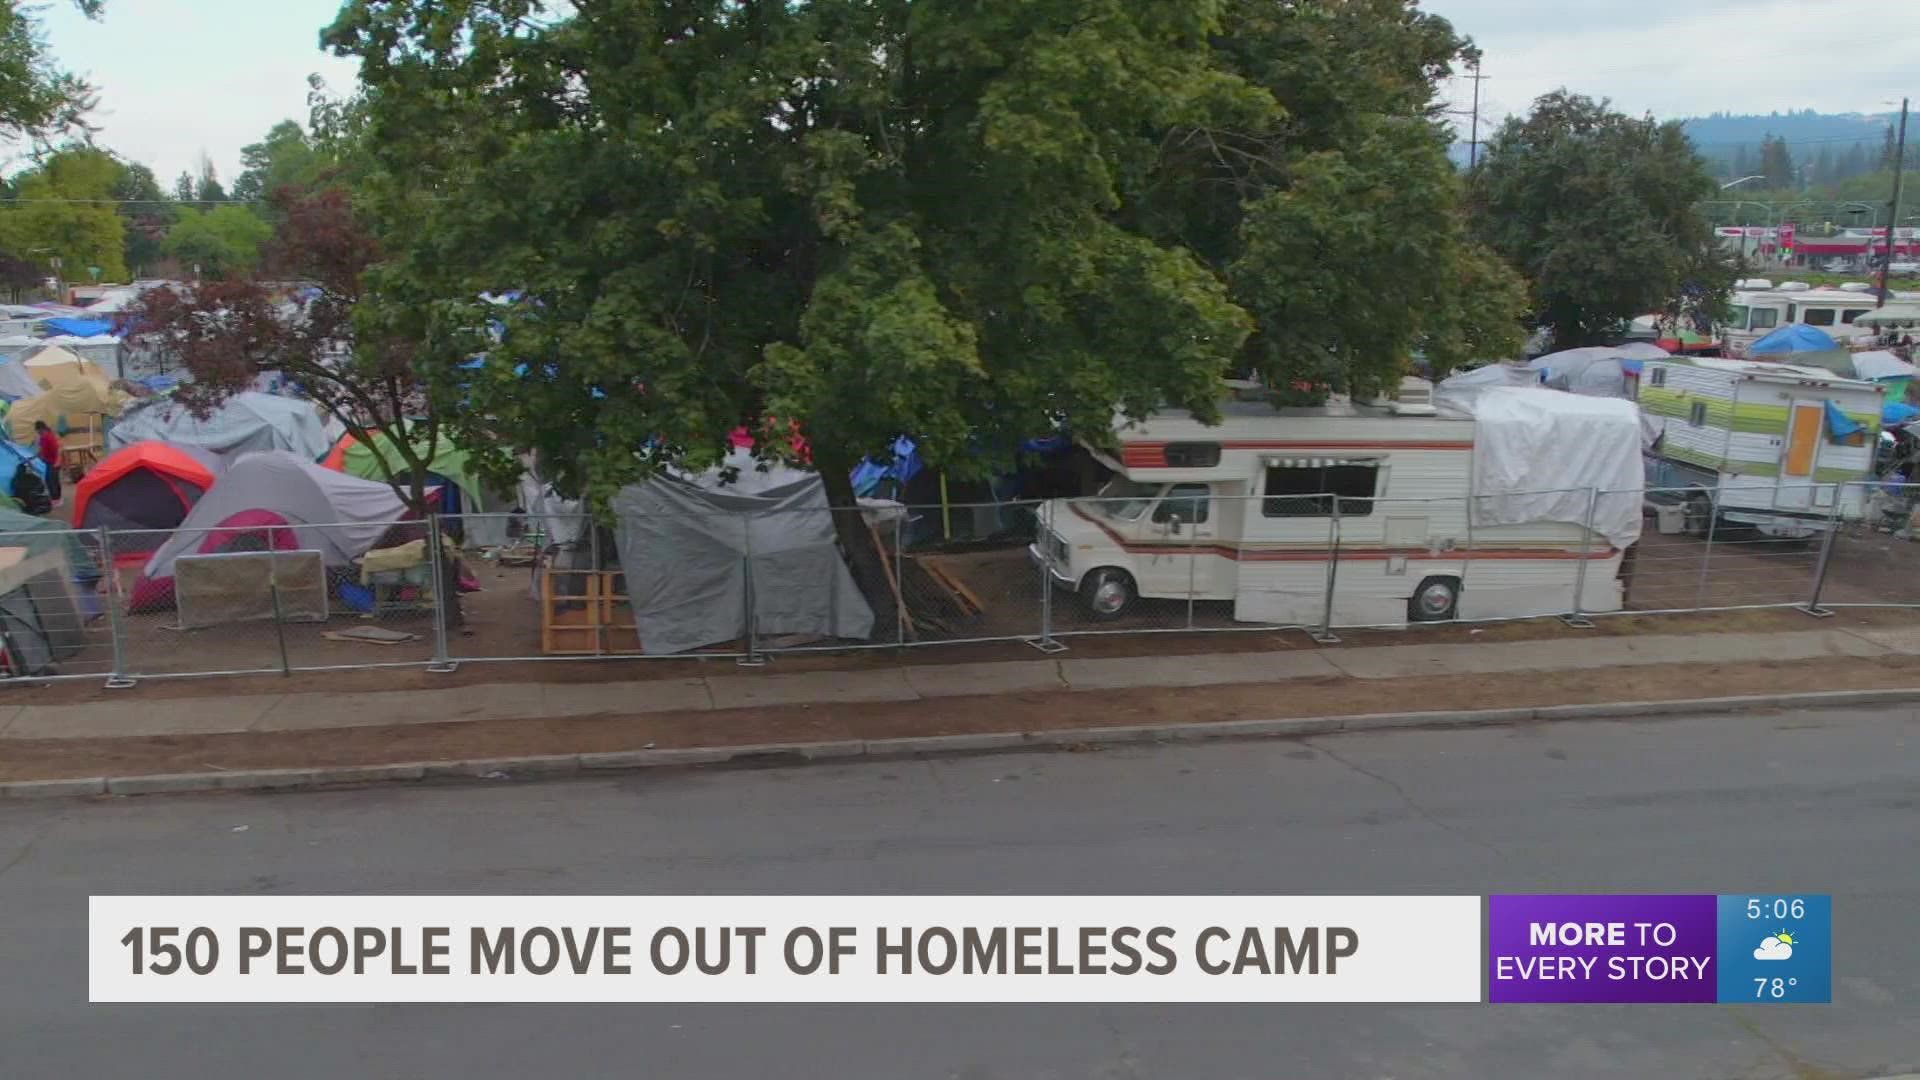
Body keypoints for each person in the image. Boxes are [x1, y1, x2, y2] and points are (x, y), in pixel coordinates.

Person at [32, 420, 60, 505]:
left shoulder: (49, 437)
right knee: (49, 480)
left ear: (41, 429)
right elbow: (41, 450)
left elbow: (56, 450)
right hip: (47, 462)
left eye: (38, 430)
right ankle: (55, 498)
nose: (37, 433)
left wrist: (57, 462)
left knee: (52, 480)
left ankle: (56, 499)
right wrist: (34, 457)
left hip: (53, 462)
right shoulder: (43, 437)